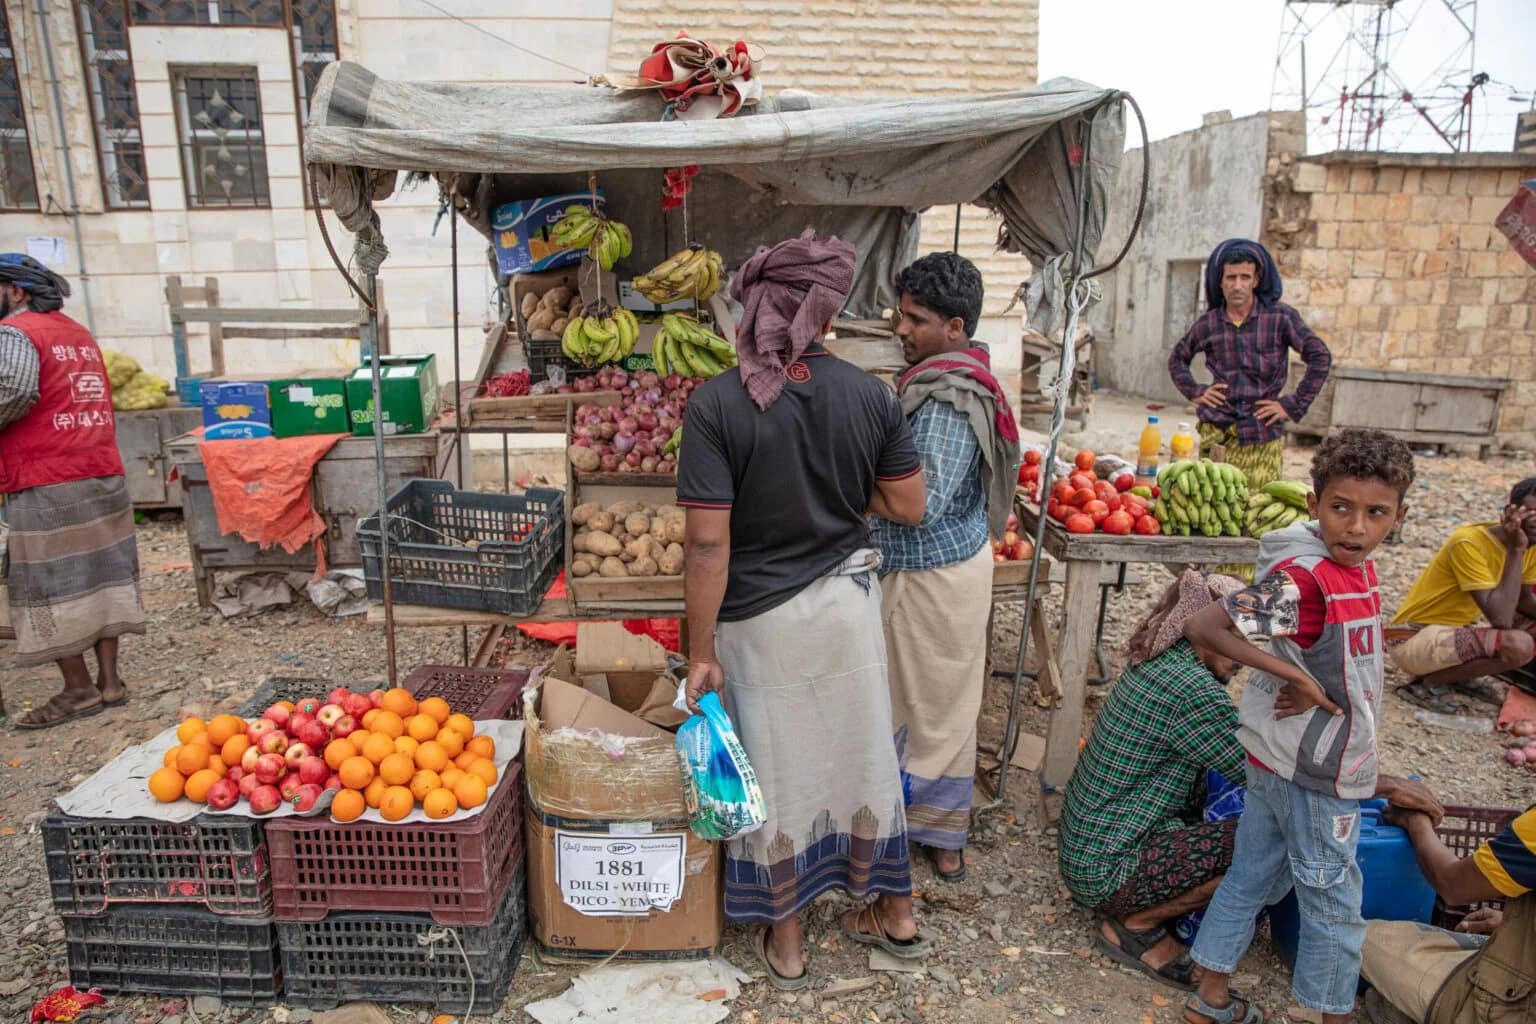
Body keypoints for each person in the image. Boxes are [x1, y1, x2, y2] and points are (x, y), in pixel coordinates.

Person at [677, 230, 932, 991]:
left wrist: (699, 650)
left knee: (779, 774)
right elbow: (909, 506)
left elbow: (706, 545)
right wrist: (840, 488)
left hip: (761, 624)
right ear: (823, 312)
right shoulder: (870, 393)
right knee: (864, 758)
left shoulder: (716, 404)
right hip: (847, 610)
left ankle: (787, 945)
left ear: (755, 308)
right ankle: (897, 914)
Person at [1180, 429, 1445, 1024]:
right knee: (1334, 905)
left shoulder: (1349, 571)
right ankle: (1331, 1015)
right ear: (1314, 504)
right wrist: (1292, 676)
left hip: (1277, 758)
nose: (1356, 528)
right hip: (1316, 772)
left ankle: (1210, 999)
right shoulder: (1308, 581)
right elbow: (1205, 628)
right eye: (1341, 508)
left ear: (1399, 517)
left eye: (1376, 513)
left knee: (1252, 876)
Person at [870, 252, 1020, 883]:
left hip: (933, 576)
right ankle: (920, 827)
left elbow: (920, 506)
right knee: (923, 705)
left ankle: (935, 833)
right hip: (939, 570)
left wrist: (847, 485)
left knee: (935, 711)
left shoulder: (951, 399)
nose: (902, 329)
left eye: (917, 320)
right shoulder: (937, 381)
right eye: (901, 316)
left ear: (955, 327)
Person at [1059, 570, 1249, 990]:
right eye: (1236, 637)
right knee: (1269, 843)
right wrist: (1376, 786)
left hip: (1090, 850)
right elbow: (1265, 774)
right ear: (1202, 630)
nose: (1244, 655)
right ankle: (1137, 924)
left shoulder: (1164, 661)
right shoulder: (1192, 690)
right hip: (1107, 868)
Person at [0, 254, 144, 728]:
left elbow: (15, 390)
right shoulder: (76, 332)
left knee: (51, 583)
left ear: (16, 291)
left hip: (47, 476)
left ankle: (79, 690)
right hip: (100, 469)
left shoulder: (14, 332)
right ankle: (110, 682)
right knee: (101, 575)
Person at [1168, 238, 1332, 493]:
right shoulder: (1208, 324)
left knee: (1259, 505)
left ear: (1256, 280)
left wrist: (1291, 404)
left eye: (1245, 277)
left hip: (1261, 433)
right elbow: (1177, 359)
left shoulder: (1280, 317)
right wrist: (1196, 391)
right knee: (1214, 503)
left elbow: (1320, 357)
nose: (1238, 285)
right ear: (1220, 282)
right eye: (1231, 278)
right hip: (1218, 432)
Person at [1359, 801, 1535, 1023]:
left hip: (1517, 1002)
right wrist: (1515, 925)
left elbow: (1454, 886)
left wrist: (1416, 821)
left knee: (1366, 938)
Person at [1388, 478, 1536, 707]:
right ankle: (1426, 684)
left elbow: (1523, 600)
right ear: (1511, 511)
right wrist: (1516, 550)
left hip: (1454, 634)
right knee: (1518, 645)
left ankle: (1457, 677)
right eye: (1532, 514)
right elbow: (1501, 620)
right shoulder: (1469, 542)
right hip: (1413, 638)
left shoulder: (1531, 545)